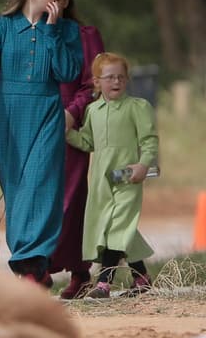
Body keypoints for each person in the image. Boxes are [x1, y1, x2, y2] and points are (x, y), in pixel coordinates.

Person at [0, 0, 82, 285]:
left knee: (40, 186)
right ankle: (33, 268)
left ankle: (29, 266)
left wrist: (51, 31)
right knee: (17, 192)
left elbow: (67, 72)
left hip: (46, 112)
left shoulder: (66, 30)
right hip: (7, 117)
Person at [65, 53, 157, 299]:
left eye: (121, 77)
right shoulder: (93, 111)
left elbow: (149, 142)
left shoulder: (137, 107)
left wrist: (144, 164)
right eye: (109, 77)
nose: (116, 81)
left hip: (127, 176)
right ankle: (142, 279)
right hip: (102, 181)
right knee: (115, 229)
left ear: (126, 80)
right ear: (97, 82)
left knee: (117, 227)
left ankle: (104, 282)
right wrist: (66, 133)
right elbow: (87, 141)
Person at [51, 0, 107, 299]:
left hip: (72, 125)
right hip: (36, 123)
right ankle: (39, 265)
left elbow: (92, 82)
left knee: (72, 199)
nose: (52, 5)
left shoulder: (86, 36)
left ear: (67, 1)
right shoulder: (30, 34)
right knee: (40, 198)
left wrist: (72, 113)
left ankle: (80, 271)